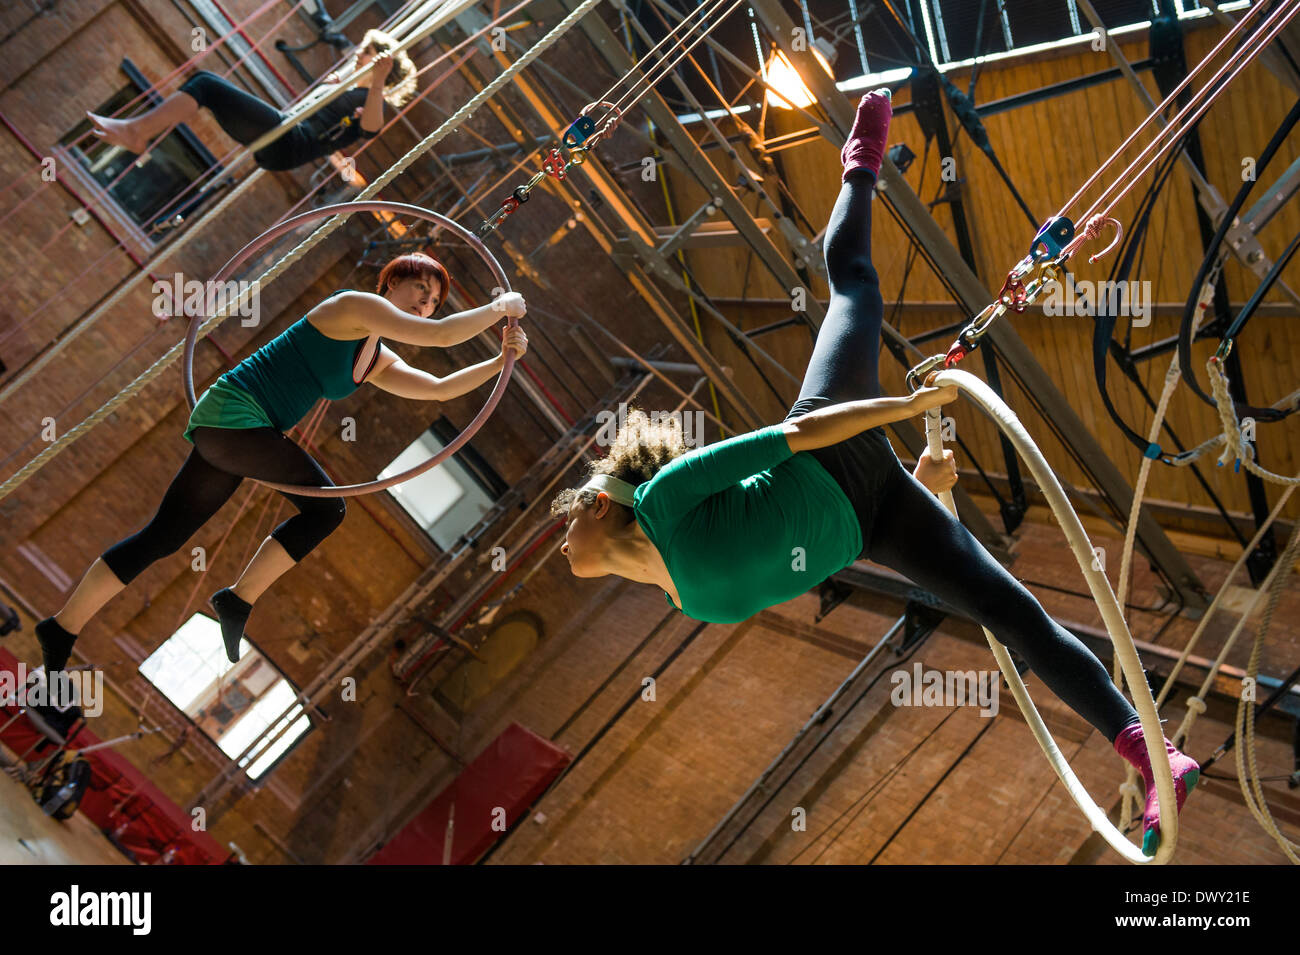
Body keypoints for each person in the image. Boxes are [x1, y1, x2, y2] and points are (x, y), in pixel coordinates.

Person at [550, 90, 1199, 854]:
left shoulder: (665, 498)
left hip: (832, 441)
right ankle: (1156, 757)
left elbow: (797, 433)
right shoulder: (679, 595)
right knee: (1016, 616)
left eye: (566, 522)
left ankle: (859, 166)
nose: (561, 542)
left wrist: (893, 409)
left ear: (599, 502)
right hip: (875, 518)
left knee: (854, 284)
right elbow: (798, 546)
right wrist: (918, 484)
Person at [36, 252, 527, 671]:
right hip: (236, 416)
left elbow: (438, 388)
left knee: (163, 537)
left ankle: (61, 628)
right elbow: (441, 337)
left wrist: (500, 360)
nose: (425, 305)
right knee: (327, 509)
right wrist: (498, 307)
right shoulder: (354, 307)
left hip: (239, 432)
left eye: (434, 301)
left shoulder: (374, 358)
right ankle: (236, 599)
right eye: (419, 291)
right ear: (391, 284)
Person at [87, 29, 417, 171]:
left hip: (289, 143)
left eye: (368, 52)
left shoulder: (371, 98)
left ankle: (137, 132)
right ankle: (138, 131)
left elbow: (372, 130)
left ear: (382, 68)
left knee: (207, 85)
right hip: (280, 141)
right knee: (205, 87)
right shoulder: (346, 88)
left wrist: (376, 86)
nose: (359, 52)